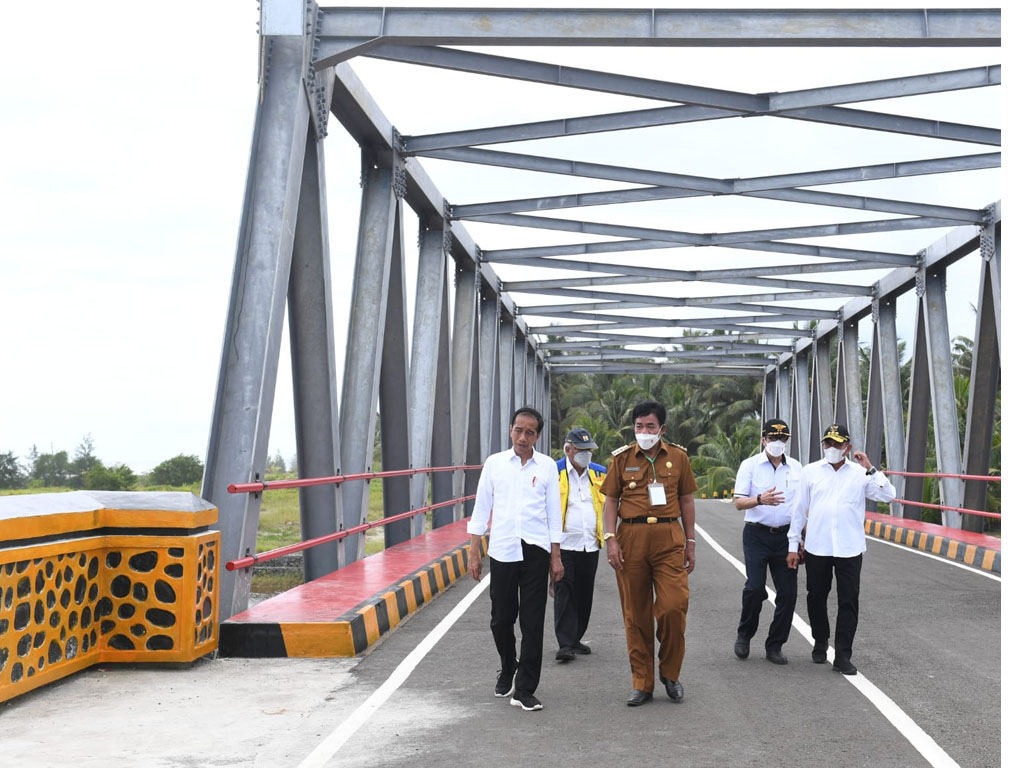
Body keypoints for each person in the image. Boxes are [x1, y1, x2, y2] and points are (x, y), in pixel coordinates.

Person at [468, 406, 565, 711]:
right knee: (501, 619)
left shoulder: (547, 466)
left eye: (530, 432)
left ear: (538, 435)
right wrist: (474, 550)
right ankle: (508, 665)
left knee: (533, 622)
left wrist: (556, 556)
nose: (523, 437)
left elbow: (553, 512)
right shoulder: (495, 464)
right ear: (510, 430)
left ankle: (524, 688)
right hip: (502, 550)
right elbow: (482, 507)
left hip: (535, 550)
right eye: (518, 430)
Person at [601, 401, 697, 706]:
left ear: (662, 429)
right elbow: (611, 501)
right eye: (639, 426)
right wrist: (611, 539)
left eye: (650, 427)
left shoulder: (679, 458)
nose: (644, 432)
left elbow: (687, 500)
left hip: (669, 538)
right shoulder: (621, 459)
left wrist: (691, 542)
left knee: (673, 606)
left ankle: (670, 673)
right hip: (630, 539)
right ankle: (642, 682)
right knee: (636, 614)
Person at [788, 424, 896, 676]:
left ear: (847, 447)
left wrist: (870, 468)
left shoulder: (860, 474)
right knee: (816, 597)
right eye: (828, 443)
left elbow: (889, 496)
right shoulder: (810, 472)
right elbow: (798, 510)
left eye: (837, 444)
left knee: (849, 602)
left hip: (849, 548)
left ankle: (843, 655)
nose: (832, 448)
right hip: (818, 546)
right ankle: (820, 640)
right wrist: (794, 545)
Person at [732, 419, 802, 665]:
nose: (777, 443)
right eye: (772, 438)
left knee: (788, 593)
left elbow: (801, 508)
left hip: (785, 537)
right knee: (754, 587)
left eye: (782, 439)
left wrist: (800, 539)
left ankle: (775, 645)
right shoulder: (750, 465)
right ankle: (744, 634)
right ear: (763, 440)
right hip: (756, 535)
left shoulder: (796, 468)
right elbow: (739, 502)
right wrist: (759, 499)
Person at [552, 427, 606, 662]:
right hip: (564, 544)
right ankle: (565, 643)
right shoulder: (555, 472)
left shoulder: (599, 474)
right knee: (565, 592)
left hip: (590, 544)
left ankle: (575, 638)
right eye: (581, 450)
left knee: (585, 594)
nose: (586, 454)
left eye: (589, 450)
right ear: (569, 449)